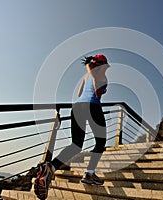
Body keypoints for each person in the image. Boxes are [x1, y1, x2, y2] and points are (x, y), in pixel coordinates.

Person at [34, 54, 110, 199]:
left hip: (77, 107)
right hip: (93, 106)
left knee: (76, 145)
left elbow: (79, 93)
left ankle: (51, 167)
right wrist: (99, 85)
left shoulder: (86, 77)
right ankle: (89, 174)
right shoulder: (103, 78)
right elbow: (97, 92)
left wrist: (90, 72)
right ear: (102, 66)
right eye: (105, 66)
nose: (106, 69)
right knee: (101, 142)